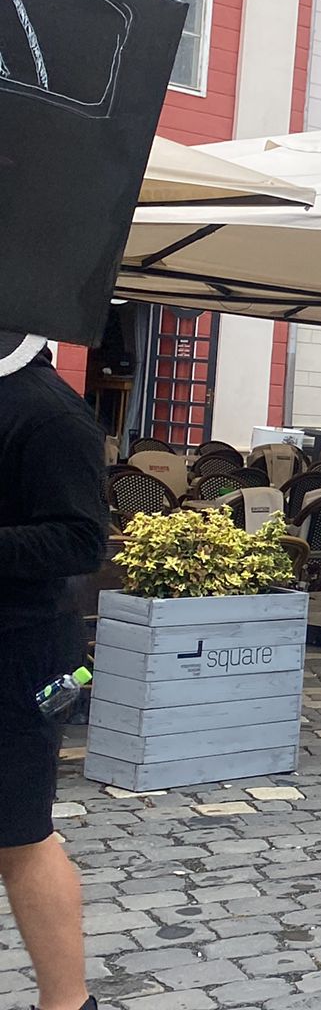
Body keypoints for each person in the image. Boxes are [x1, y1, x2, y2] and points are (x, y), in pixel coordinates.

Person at [0, 333, 104, 1010]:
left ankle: (66, 1005)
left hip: (22, 654)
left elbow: (82, 537)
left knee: (19, 834)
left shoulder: (49, 410)